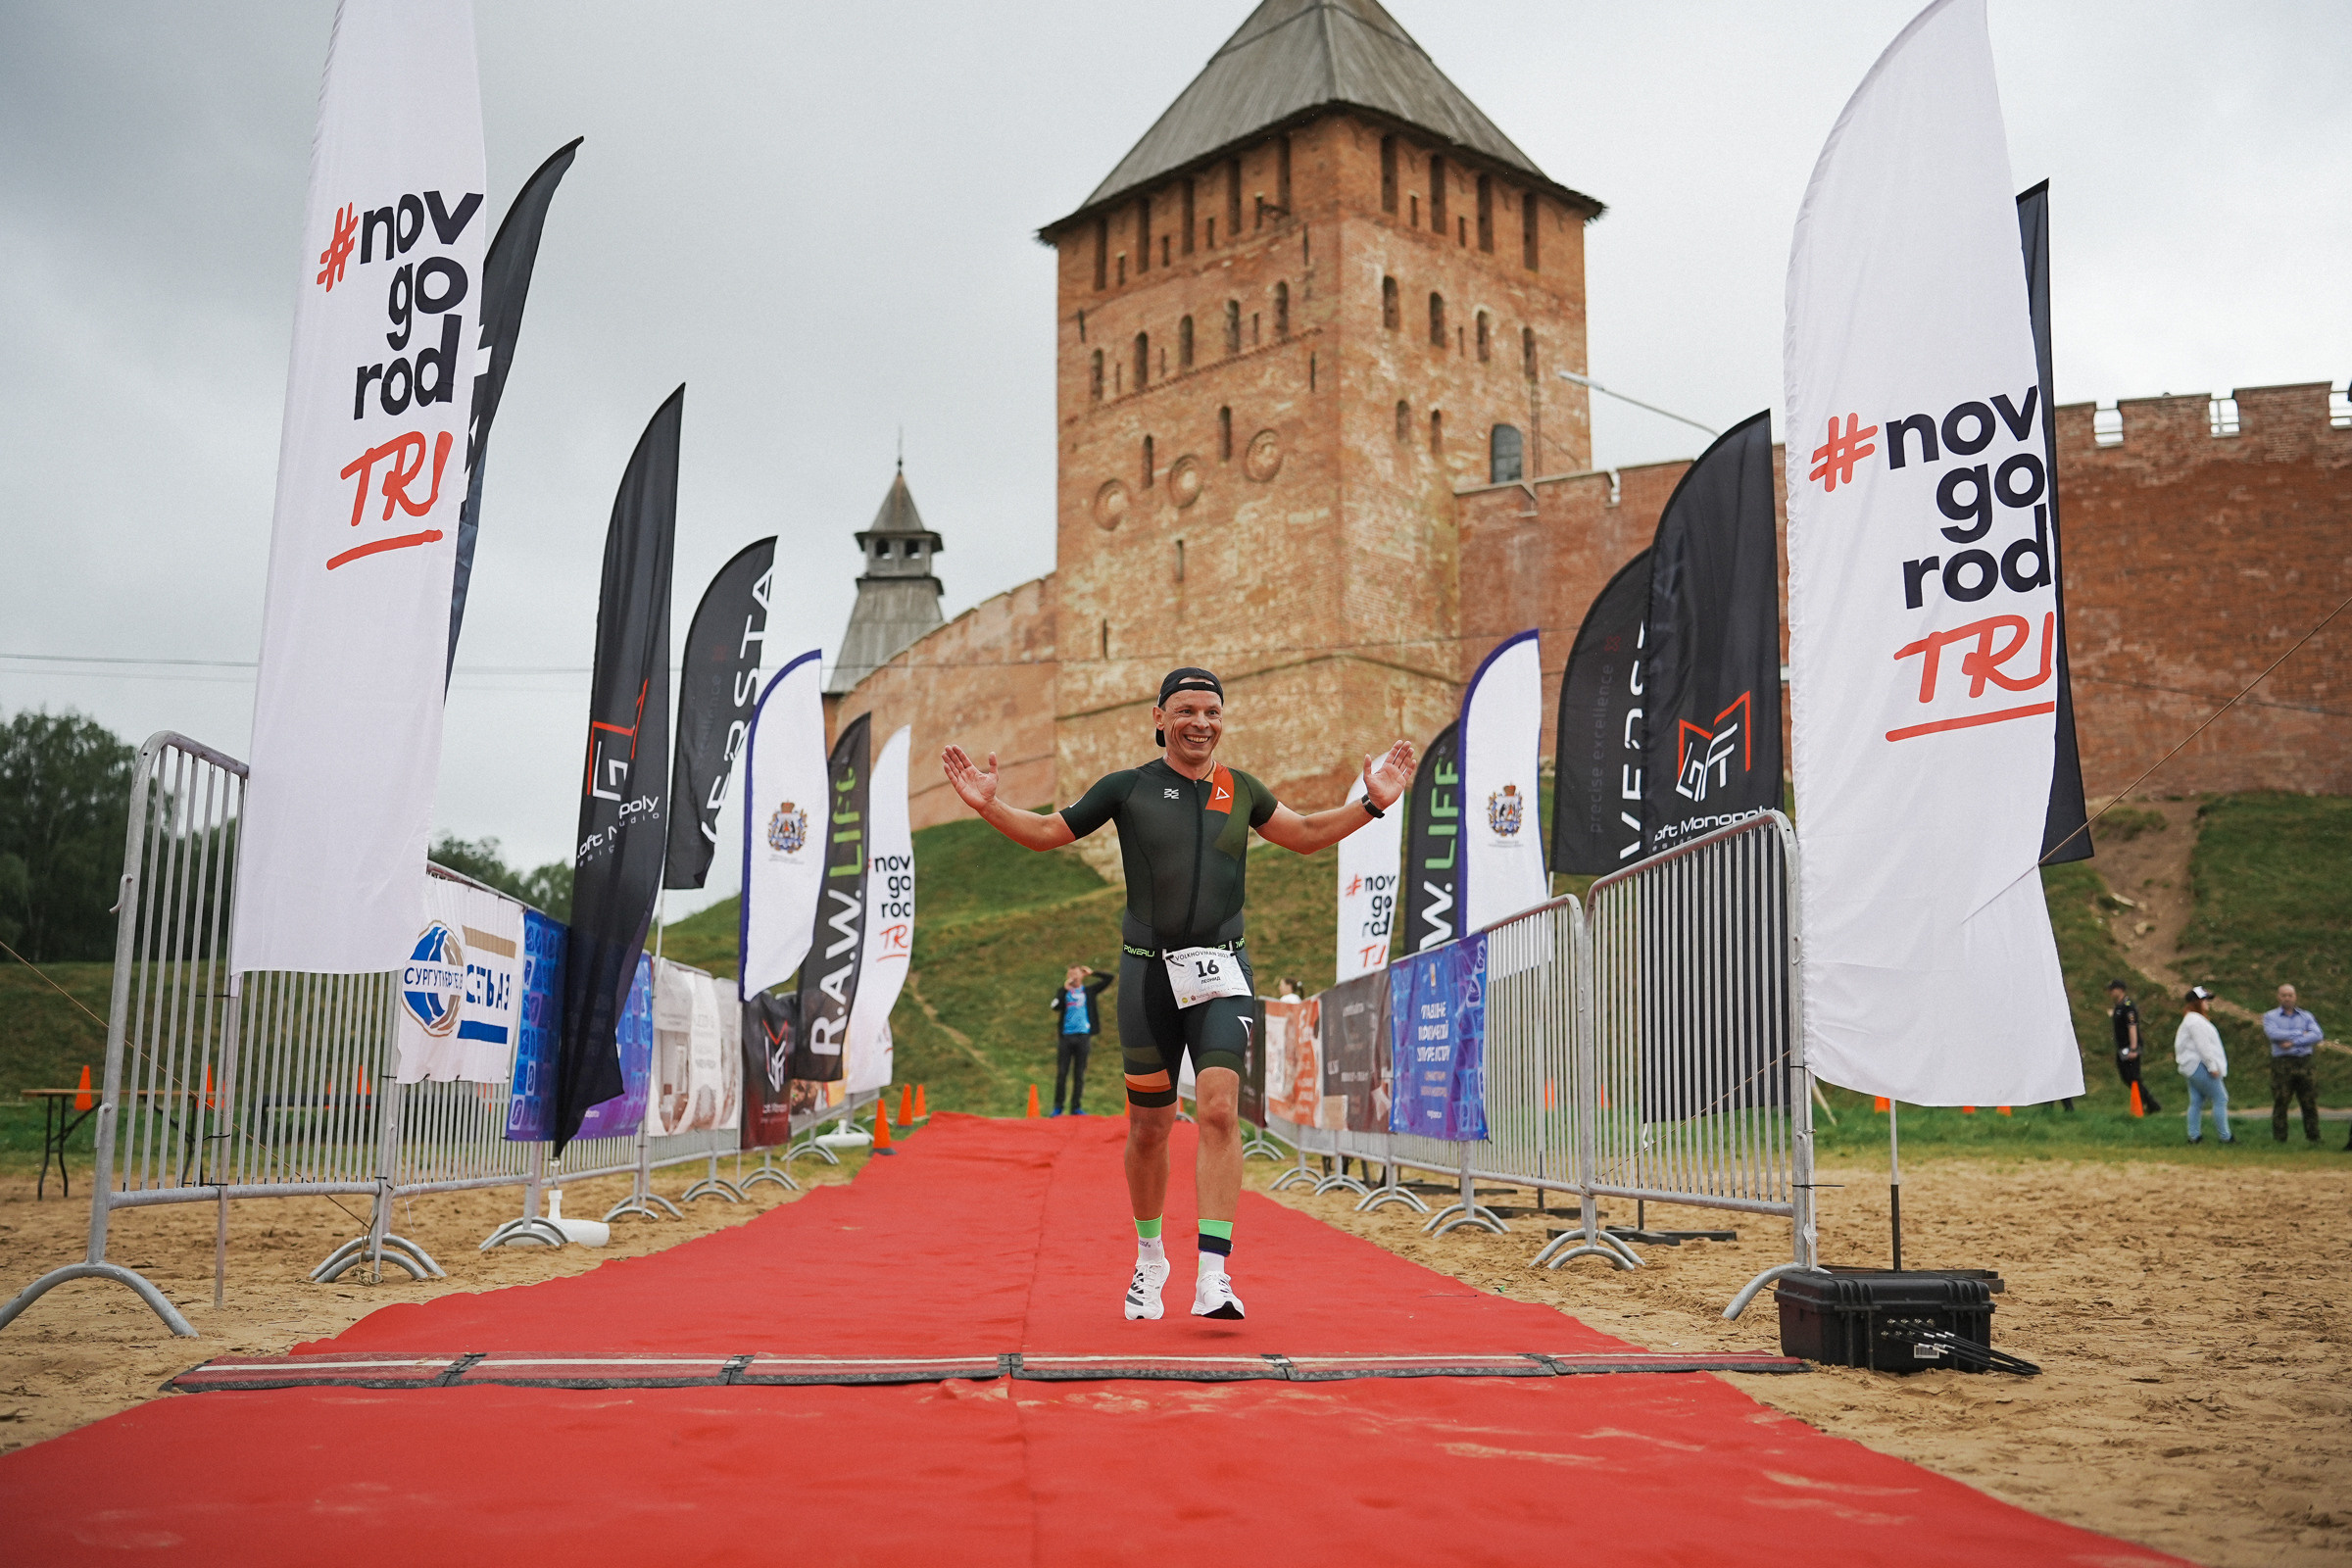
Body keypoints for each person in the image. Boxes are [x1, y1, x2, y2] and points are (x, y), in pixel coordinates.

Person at [943, 666, 1413, 1322]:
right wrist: (989, 806)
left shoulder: (1241, 790)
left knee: (1219, 1111)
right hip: (1146, 977)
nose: (1201, 723)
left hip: (1223, 973)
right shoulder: (1127, 788)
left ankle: (1214, 1276)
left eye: (1213, 711)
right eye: (1187, 710)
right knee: (1150, 1128)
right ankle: (1149, 1258)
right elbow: (1050, 832)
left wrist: (1372, 803)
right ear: (1160, 717)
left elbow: (1303, 835)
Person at [2260, 983, 2325, 1144]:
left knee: (2309, 1101)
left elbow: (2317, 1034)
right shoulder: (2270, 1016)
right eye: (2284, 995)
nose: (2287, 998)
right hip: (2282, 1064)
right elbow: (2273, 1034)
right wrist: (2300, 1034)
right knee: (2281, 1101)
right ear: (2278, 997)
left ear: (2295, 997)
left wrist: (2294, 1042)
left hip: (2305, 1062)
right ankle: (2280, 1139)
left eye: (2290, 995)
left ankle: (2314, 1137)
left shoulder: (2306, 1016)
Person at [1048, 964, 1113, 1116]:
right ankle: (1058, 1106)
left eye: (1076, 973)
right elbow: (1055, 1006)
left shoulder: (1088, 991)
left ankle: (1076, 1107)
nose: (1073, 976)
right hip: (1066, 1037)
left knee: (1079, 1073)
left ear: (1081, 975)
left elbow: (1109, 978)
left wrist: (1093, 973)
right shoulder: (1063, 992)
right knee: (1062, 1072)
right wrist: (1064, 990)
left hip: (1083, 1036)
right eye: (1071, 973)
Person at [2175, 985, 2233, 1146]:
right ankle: (2225, 1137)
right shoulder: (2195, 1021)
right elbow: (2203, 1047)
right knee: (2221, 1098)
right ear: (2196, 1002)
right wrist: (2212, 1067)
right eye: (2204, 999)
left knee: (2197, 1101)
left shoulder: (2192, 1019)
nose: (2207, 1003)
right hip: (2199, 1065)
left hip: (2191, 1066)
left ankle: (2194, 1136)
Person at [2106, 980, 2161, 1114]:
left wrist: (2134, 1048)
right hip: (2122, 1048)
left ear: (2120, 989)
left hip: (2129, 1047)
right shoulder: (2119, 1006)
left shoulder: (2128, 1006)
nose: (2110, 992)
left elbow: (2132, 1027)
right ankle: (2147, 1102)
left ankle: (2150, 1104)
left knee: (2134, 1077)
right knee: (2126, 1076)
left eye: (2112, 989)